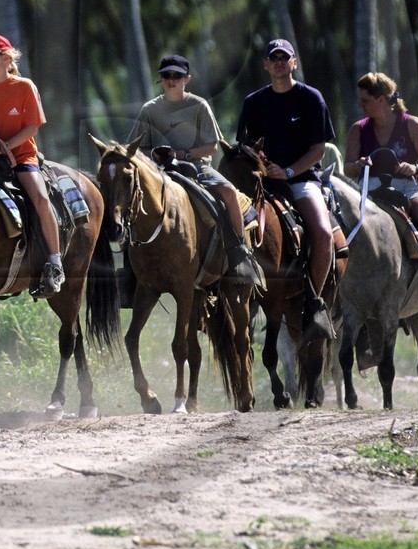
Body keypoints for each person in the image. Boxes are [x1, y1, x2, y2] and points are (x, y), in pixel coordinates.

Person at [128, 53, 264, 287]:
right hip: (159, 172)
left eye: (177, 75)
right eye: (166, 75)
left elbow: (213, 147)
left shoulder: (199, 105)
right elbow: (135, 147)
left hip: (197, 169)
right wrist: (156, 154)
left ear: (186, 79)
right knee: (126, 205)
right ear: (160, 79)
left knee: (230, 192)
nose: (171, 80)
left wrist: (184, 154)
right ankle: (130, 270)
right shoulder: (149, 110)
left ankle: (240, 253)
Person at [235, 38, 336, 339]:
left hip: (301, 180)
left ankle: (314, 302)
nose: (279, 61)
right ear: (266, 64)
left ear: (294, 63)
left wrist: (289, 170)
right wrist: (262, 168)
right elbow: (243, 147)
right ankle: (226, 295)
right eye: (273, 57)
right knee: (227, 225)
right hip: (261, 183)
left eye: (285, 57)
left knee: (323, 232)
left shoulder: (310, 98)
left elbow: (319, 149)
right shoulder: (253, 103)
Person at [341, 72, 418, 313]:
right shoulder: (358, 129)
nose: (360, 105)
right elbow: (347, 167)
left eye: (365, 100)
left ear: (382, 99)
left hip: (407, 187)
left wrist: (415, 167)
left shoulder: (412, 124)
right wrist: (359, 164)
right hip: (371, 188)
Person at [0, 34, 66, 297]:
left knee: (41, 200)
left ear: (6, 59)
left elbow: (32, 127)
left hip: (21, 158)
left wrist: (4, 146)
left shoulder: (25, 87)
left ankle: (55, 262)